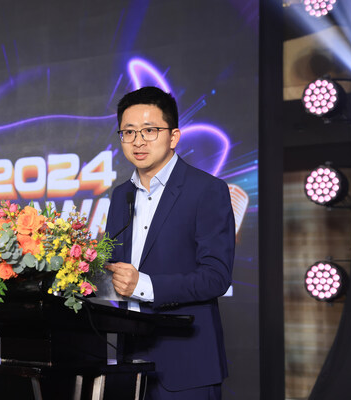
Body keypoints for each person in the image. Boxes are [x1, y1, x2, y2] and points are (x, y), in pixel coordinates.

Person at [105, 86, 235, 400]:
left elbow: (216, 277)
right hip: (129, 363)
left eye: (149, 130)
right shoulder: (120, 195)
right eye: (128, 132)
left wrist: (143, 285)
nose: (138, 141)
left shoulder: (207, 190)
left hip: (186, 365)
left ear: (173, 136)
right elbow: (113, 268)